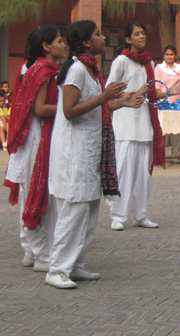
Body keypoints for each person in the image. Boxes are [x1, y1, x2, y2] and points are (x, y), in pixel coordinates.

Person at [46, 20, 142, 289]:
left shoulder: (90, 70)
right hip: (74, 152)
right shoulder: (76, 70)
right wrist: (105, 97)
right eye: (98, 34)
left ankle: (75, 264)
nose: (103, 37)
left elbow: (94, 107)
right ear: (86, 42)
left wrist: (120, 102)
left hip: (90, 150)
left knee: (88, 211)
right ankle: (57, 269)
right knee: (74, 211)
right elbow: (69, 111)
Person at [3, 25, 67, 272]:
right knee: (37, 194)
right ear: (46, 46)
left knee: (35, 194)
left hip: (37, 137)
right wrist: (70, 107)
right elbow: (39, 109)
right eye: (59, 41)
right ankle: (40, 254)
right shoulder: (41, 71)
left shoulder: (43, 70)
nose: (63, 45)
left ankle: (33, 250)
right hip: (36, 138)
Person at [106, 21, 165, 231]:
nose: (142, 37)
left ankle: (140, 215)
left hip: (144, 125)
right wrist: (135, 93)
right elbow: (109, 92)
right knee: (123, 173)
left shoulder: (148, 63)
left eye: (143, 33)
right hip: (125, 125)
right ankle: (117, 216)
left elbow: (151, 94)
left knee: (142, 176)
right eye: (137, 34)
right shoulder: (121, 61)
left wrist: (168, 92)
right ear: (128, 39)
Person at [154, 45, 180, 160]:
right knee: (162, 130)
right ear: (163, 56)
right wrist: (163, 100)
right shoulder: (159, 68)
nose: (169, 57)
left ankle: (176, 155)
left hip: (177, 104)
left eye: (172, 54)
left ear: (175, 56)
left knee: (177, 130)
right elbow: (157, 86)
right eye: (167, 54)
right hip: (163, 104)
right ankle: (161, 156)